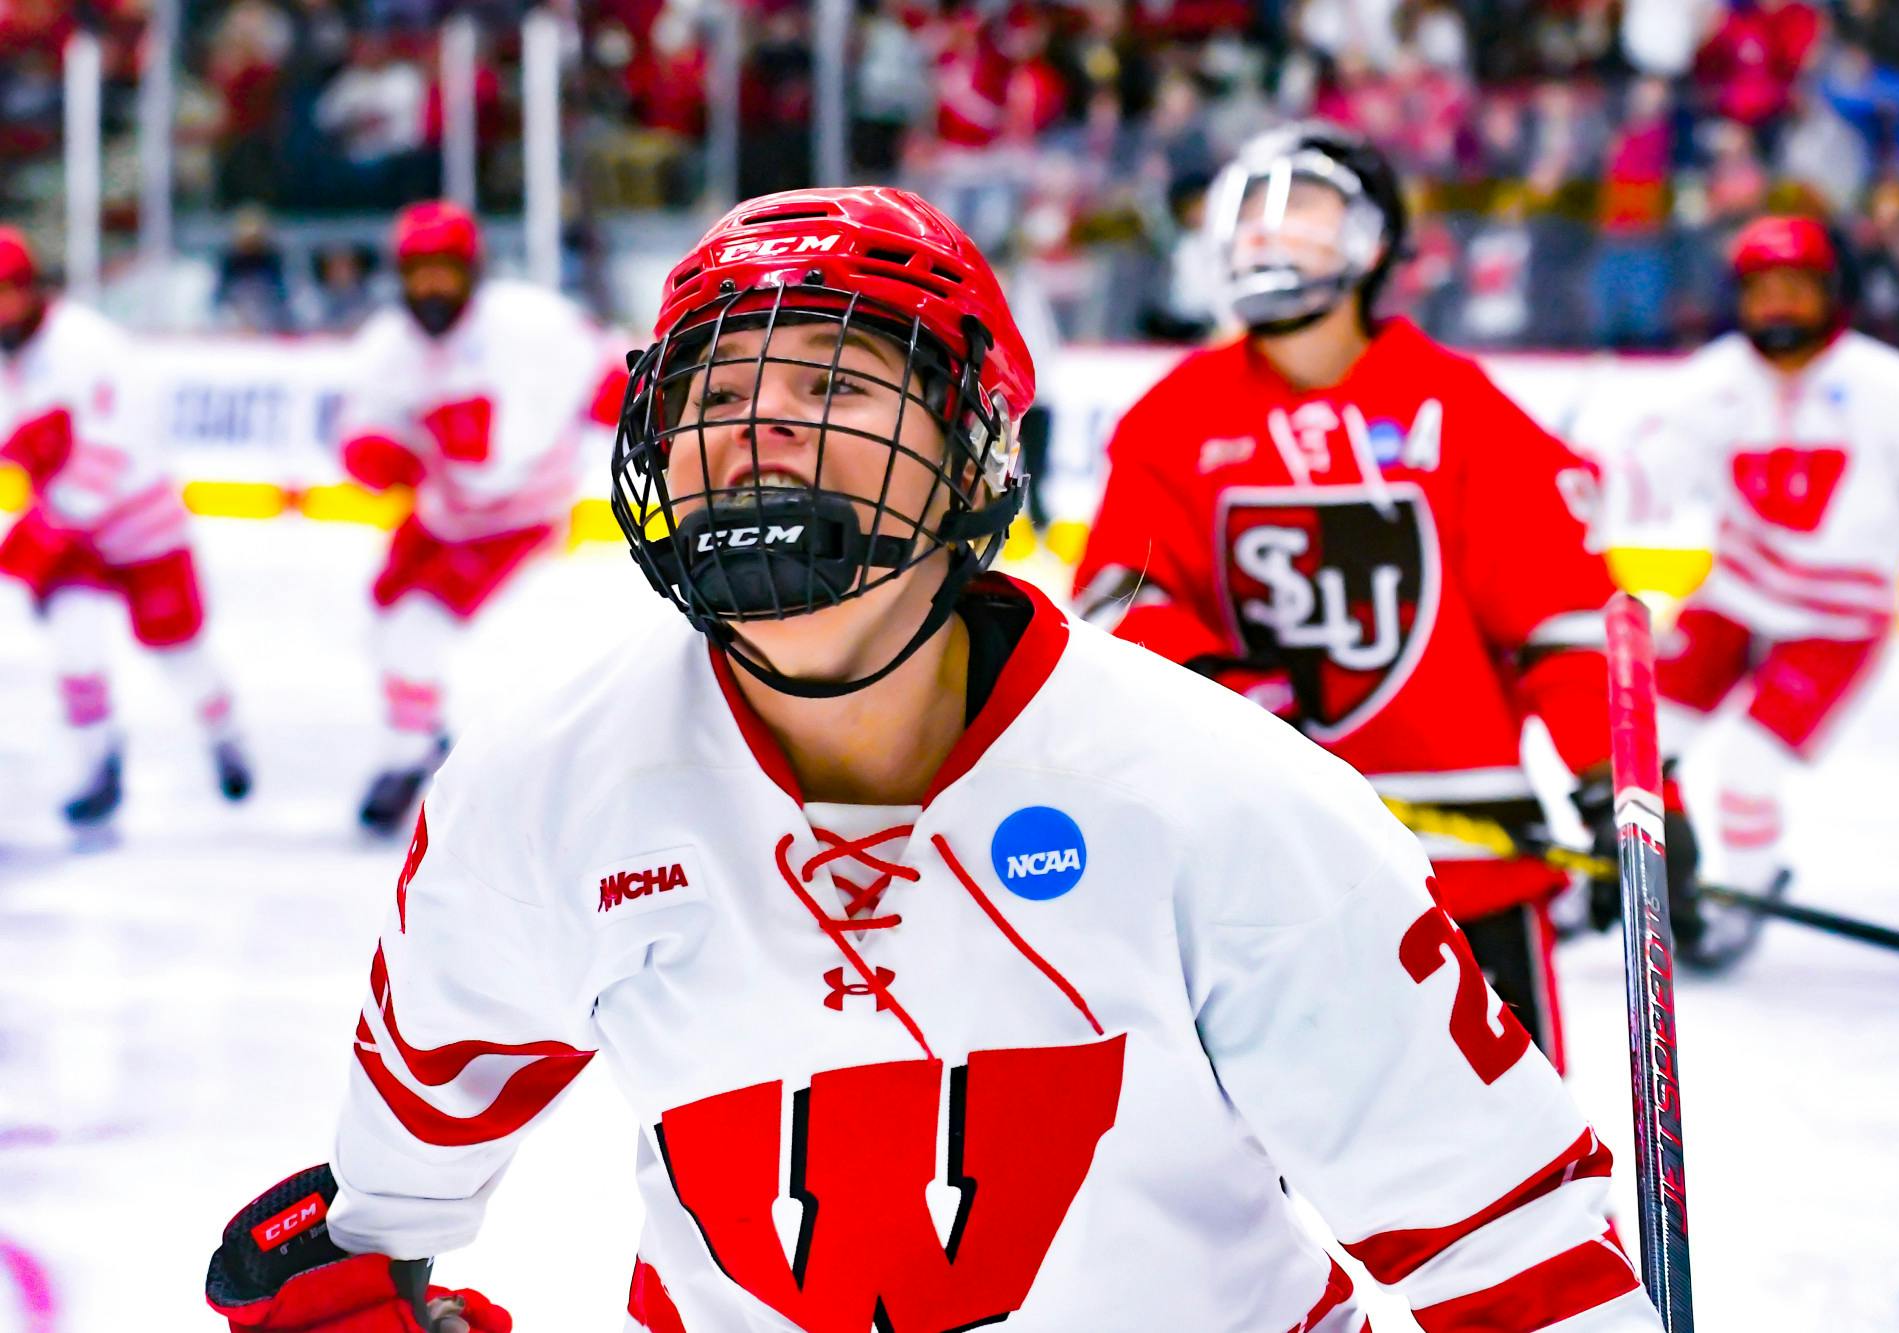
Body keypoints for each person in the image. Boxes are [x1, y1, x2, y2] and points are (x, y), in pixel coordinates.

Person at [205, 187, 1660, 1333]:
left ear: (977, 456)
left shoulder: (1228, 798)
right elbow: (381, 1207)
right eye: (712, 396)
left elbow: (1511, 1243)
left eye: (835, 383)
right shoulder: (536, 796)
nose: (758, 426)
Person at [1073, 122, 1695, 1055]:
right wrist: (1225, 699)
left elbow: (1561, 621)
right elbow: (1120, 601)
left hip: (1464, 871)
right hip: (1257, 864)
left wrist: (1630, 791)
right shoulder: (1174, 419)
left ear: (1371, 244)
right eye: (1250, 218)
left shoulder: (1460, 409)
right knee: (1230, 1186)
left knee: (1523, 1188)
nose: (1269, 240)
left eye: (1305, 216)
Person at [1595, 214, 1899, 966]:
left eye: (1795, 288)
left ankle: (1743, 894)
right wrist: (1579, 496)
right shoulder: (1715, 383)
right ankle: (1655, 880)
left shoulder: (1885, 387)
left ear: (1832, 293)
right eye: (1761, 289)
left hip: (1837, 621)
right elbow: (1641, 472)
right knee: (1641, 743)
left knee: (1748, 769)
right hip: (1733, 598)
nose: (1776, 306)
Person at [335, 200, 626, 835]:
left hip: (517, 519)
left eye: (445, 271)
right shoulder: (389, 346)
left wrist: (639, 420)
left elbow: (611, 375)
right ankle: (422, 733)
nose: (431, 287)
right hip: (443, 516)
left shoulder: (531, 325)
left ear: (473, 269)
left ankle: (406, 758)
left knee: (414, 629)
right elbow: (364, 427)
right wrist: (375, 453)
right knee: (384, 623)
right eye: (418, 272)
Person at [0, 226, 252, 827]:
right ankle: (98, 765)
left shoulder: (86, 344)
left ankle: (223, 733)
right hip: (74, 540)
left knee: (178, 650)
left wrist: (48, 524)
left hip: (142, 528)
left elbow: (113, 446)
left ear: (31, 288)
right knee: (73, 644)